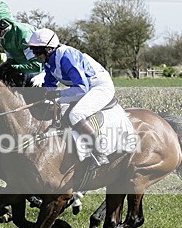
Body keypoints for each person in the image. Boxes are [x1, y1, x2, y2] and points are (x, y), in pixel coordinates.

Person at [26, 28, 116, 168]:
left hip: (99, 87)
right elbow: (50, 85)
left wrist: (59, 94)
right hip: (85, 87)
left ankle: (99, 152)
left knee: (76, 114)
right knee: (50, 105)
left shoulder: (66, 57)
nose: (35, 55)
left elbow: (82, 88)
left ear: (49, 49)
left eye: (37, 51)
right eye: (33, 50)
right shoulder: (49, 60)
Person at [0, 1, 44, 86]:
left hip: (43, 72)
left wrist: (12, 67)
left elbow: (37, 66)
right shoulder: (4, 39)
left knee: (32, 84)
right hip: (28, 71)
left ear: (2, 23)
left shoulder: (23, 34)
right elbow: (11, 61)